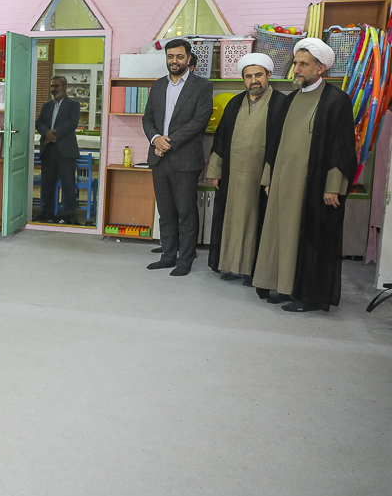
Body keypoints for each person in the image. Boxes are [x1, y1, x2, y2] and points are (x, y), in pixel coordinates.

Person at [252, 38, 357, 312]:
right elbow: (274, 144)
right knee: (282, 236)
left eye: (303, 64)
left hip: (315, 186)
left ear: (320, 68)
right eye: (295, 63)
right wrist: (269, 178)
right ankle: (285, 287)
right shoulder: (290, 100)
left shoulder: (336, 100)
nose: (296, 69)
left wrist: (334, 185)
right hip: (282, 183)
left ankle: (309, 297)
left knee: (311, 239)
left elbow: (342, 146)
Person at [206, 55, 286, 284]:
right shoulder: (234, 103)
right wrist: (215, 171)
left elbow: (281, 145)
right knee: (232, 220)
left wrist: (271, 177)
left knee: (258, 221)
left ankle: (255, 271)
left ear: (268, 75)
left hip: (262, 177)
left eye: (258, 75)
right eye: (248, 76)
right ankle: (232, 265)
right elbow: (220, 138)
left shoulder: (281, 104)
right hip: (233, 175)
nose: (254, 81)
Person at [143, 38, 214, 276]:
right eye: (170, 56)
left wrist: (168, 143)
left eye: (180, 57)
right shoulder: (158, 85)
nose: (174, 61)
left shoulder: (202, 86)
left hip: (185, 160)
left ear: (188, 58)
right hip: (158, 158)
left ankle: (185, 260)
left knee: (186, 213)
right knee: (165, 212)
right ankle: (167, 256)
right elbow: (147, 119)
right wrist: (156, 139)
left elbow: (199, 121)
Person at [34, 75, 81, 224]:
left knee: (68, 184)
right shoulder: (46, 105)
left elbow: (72, 123)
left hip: (65, 150)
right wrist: (46, 132)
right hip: (49, 150)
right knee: (47, 184)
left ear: (65, 87)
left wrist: (53, 135)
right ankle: (47, 212)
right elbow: (39, 122)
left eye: (56, 86)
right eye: (52, 86)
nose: (53, 89)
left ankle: (68, 215)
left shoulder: (73, 104)